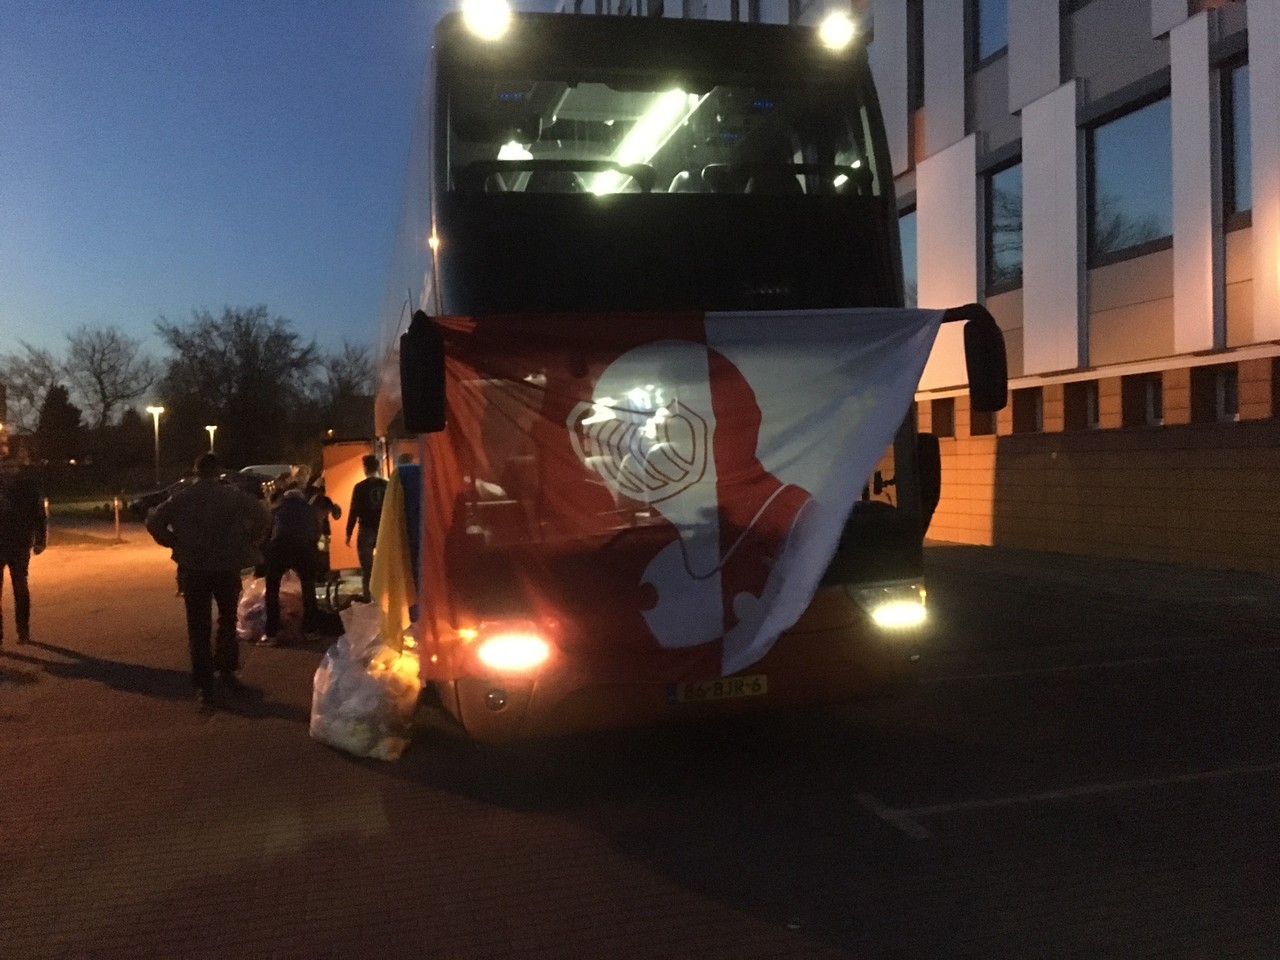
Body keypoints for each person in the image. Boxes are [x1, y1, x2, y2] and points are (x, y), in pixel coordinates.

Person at [146, 453, 269, 707]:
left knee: (198, 627)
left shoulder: (182, 497)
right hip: (226, 567)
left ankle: (204, 684)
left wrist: (174, 542)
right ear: (219, 471)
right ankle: (227, 671)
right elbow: (263, 516)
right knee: (228, 621)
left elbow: (154, 522)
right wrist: (249, 538)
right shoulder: (233, 496)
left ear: (196, 471)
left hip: (194, 568)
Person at [258, 471, 322, 646]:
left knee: (272, 589)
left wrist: (265, 553)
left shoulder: (277, 509)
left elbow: (267, 533)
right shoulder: (310, 510)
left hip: (280, 549)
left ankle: (271, 633)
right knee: (308, 588)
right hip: (305, 550)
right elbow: (316, 532)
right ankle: (310, 630)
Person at [0, 449, 48, 646]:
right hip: (8, 543)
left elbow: (39, 515)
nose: (7, 470)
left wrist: (40, 540)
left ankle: (23, 630)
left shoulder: (28, 488)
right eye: (4, 467)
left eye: (9, 467)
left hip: (19, 544)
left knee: (20, 587)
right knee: (17, 587)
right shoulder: (26, 487)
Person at [345, 454, 387, 603]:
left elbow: (354, 510)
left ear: (365, 469)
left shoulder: (359, 487)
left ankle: (368, 599)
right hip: (383, 530)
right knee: (385, 566)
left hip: (366, 529)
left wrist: (348, 532)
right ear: (378, 467)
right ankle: (386, 598)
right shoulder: (386, 485)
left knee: (367, 569)